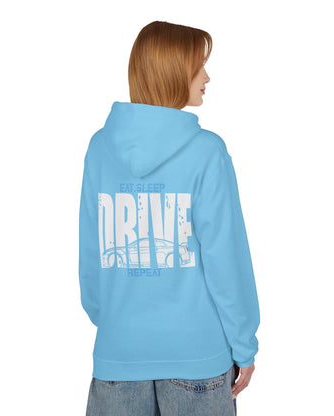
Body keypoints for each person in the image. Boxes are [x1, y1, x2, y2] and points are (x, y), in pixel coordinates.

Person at [79, 20, 260, 416]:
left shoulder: (100, 148)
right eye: (198, 66)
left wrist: (119, 326)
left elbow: (92, 257)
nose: (207, 76)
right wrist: (244, 344)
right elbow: (226, 260)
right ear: (173, 71)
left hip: (118, 356)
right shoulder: (207, 152)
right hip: (197, 357)